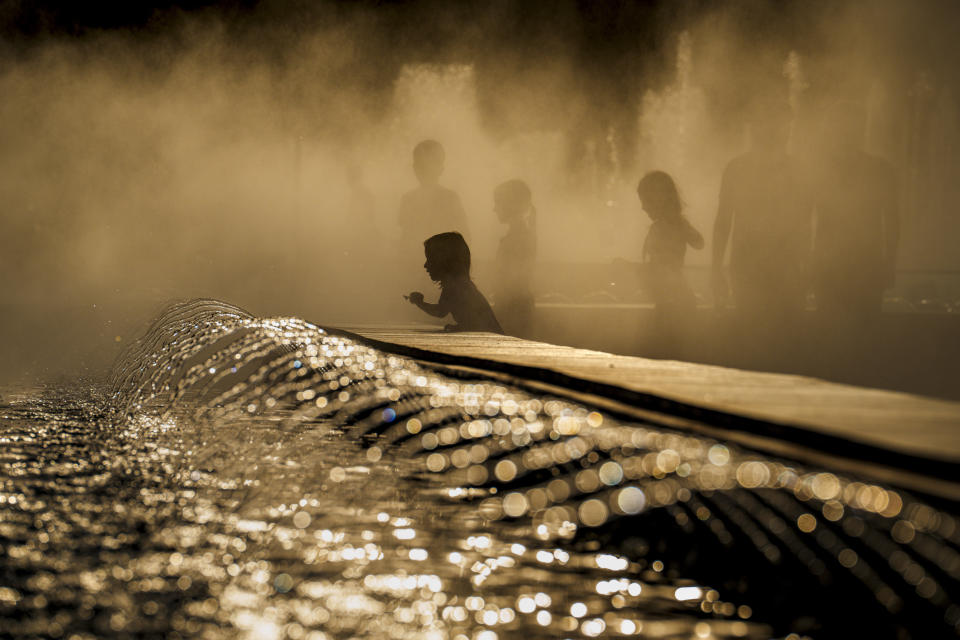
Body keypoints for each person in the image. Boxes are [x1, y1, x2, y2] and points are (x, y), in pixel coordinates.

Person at [712, 102, 812, 317]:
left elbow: (805, 224)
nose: (772, 130)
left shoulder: (797, 170)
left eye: (779, 124)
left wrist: (807, 267)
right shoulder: (737, 168)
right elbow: (723, 221)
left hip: (783, 268)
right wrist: (715, 268)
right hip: (752, 268)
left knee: (774, 335)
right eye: (765, 123)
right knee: (757, 334)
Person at [811, 101, 899, 317]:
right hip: (849, 267)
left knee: (837, 335)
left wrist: (889, 263)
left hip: (853, 267)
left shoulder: (820, 169)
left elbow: (892, 221)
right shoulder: (879, 169)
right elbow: (892, 221)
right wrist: (889, 263)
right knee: (860, 337)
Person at [628, 171, 704, 313]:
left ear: (659, 199)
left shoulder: (665, 227)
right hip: (677, 299)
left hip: (673, 301)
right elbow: (699, 243)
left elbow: (659, 268)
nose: (643, 207)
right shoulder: (673, 224)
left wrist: (629, 267)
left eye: (645, 201)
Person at [406, 232, 503, 333]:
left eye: (430, 259)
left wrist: (419, 303)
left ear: (443, 261)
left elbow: (440, 311)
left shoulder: (455, 287)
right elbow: (473, 321)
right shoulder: (461, 285)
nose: (425, 265)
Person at [398, 140, 470, 260]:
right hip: (413, 265)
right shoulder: (408, 199)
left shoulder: (450, 199)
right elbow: (405, 238)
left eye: (425, 165)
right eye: (417, 164)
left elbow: (464, 238)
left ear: (440, 168)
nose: (419, 169)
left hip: (443, 266)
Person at [492, 179, 537, 336]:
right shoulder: (523, 235)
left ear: (509, 204)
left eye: (498, 203)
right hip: (517, 308)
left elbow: (513, 279)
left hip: (513, 310)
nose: (494, 209)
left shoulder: (518, 238)